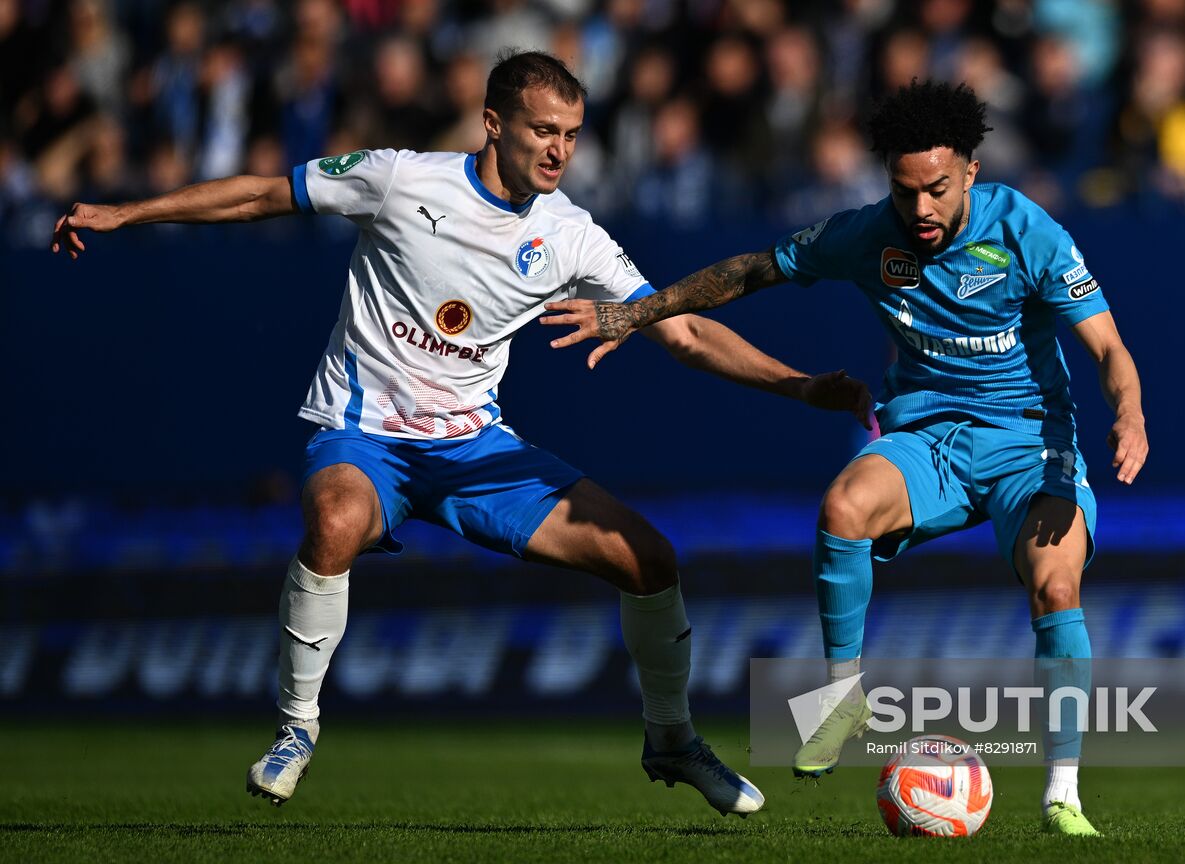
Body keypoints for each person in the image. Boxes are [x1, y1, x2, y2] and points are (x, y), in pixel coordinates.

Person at [51, 50, 872, 817]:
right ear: (493, 123)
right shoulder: (402, 180)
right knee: (334, 520)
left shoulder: (570, 233)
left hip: (477, 450)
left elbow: (684, 332)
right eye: (543, 131)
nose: (559, 151)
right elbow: (263, 194)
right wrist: (127, 212)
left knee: (650, 561)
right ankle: (297, 725)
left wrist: (799, 387)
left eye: (573, 136)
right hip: (366, 435)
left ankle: (673, 742)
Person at [542, 80, 1149, 836]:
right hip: (926, 441)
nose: (920, 210)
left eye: (936, 189)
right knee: (843, 507)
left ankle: (1064, 794)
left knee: (1056, 588)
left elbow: (1109, 348)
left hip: (1030, 445)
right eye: (905, 191)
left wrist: (1129, 413)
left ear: (970, 169)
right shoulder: (867, 235)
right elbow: (749, 272)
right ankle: (841, 700)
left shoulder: (1029, 232)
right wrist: (638, 311)